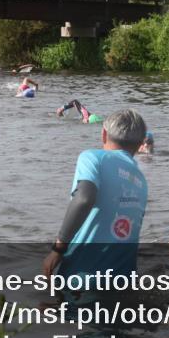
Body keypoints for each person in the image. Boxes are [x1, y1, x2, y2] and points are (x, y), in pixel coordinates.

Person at [41, 109, 150, 289]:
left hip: (83, 275)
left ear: (104, 134)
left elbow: (84, 198)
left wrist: (58, 249)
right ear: (140, 144)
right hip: (124, 279)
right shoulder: (141, 180)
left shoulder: (92, 158)